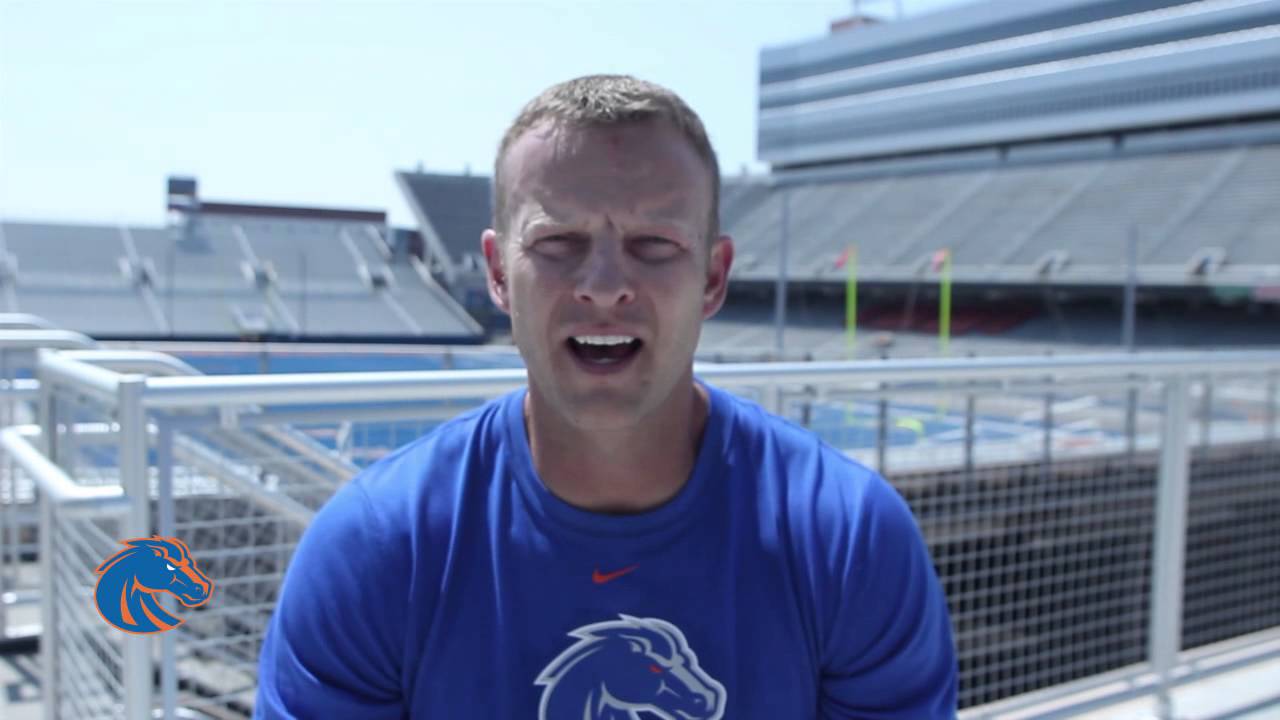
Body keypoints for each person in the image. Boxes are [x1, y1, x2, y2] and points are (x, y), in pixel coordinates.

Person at [255, 74, 957, 719]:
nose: (604, 283)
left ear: (714, 278)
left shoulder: (848, 540)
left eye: (654, 242)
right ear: (499, 274)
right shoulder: (375, 548)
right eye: (558, 241)